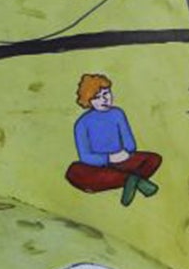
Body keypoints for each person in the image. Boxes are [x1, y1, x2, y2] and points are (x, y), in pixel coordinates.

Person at [65, 74, 161, 204]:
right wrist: (108, 158)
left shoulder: (117, 114)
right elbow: (85, 156)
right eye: (97, 97)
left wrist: (124, 154)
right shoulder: (82, 123)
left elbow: (130, 143)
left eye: (106, 94)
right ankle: (131, 180)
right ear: (88, 101)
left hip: (123, 160)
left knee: (153, 159)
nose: (104, 100)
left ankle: (128, 180)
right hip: (99, 166)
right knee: (74, 171)